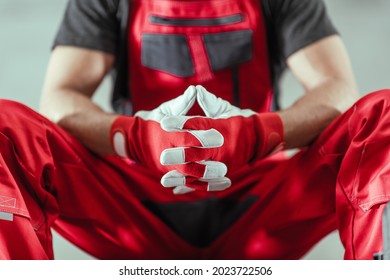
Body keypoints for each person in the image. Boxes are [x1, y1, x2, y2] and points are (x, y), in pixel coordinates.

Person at [0, 0, 389, 260]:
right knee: (6, 130)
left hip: (261, 202)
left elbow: (338, 90)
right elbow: (58, 97)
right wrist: (136, 137)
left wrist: (258, 133)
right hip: (135, 206)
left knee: (384, 115)